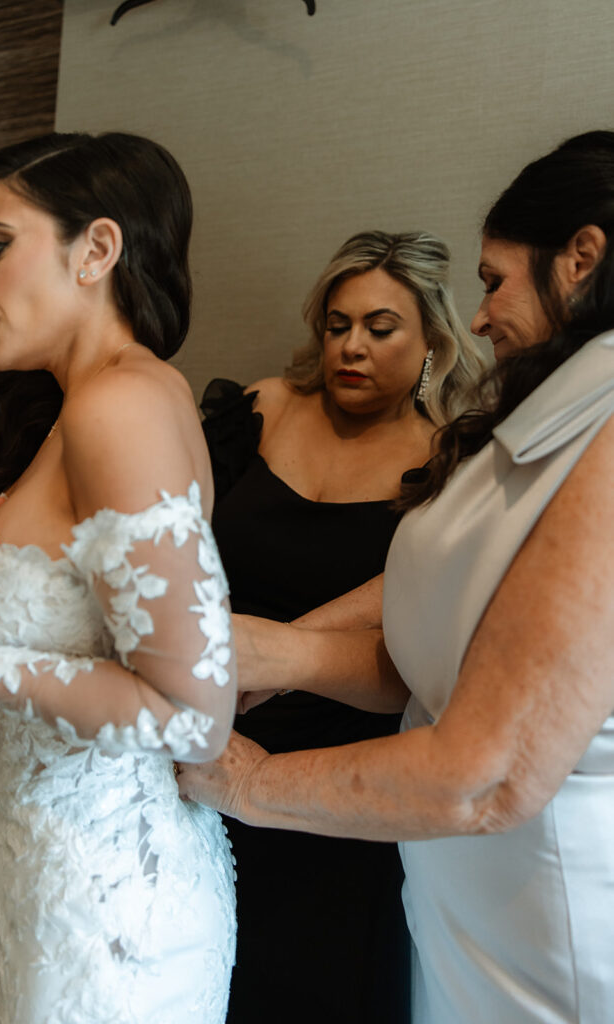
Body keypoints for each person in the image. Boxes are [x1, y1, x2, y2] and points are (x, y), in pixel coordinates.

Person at [178, 129, 614, 1024]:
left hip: (547, 923)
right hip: (457, 903)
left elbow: (486, 776)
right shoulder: (551, 415)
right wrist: (281, 651)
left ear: (581, 259)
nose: (482, 313)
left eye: (494, 280)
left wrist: (250, 784)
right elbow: (451, 592)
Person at [0, 132, 237, 1024]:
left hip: (109, 913)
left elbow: (190, 715)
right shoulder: (102, 402)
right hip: (55, 879)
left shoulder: (122, 406)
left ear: (96, 249)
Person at [200, 230, 485, 1023]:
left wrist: (277, 654)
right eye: (336, 324)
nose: (350, 346)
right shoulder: (256, 410)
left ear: (431, 338)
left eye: (379, 328)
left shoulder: (449, 462)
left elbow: (417, 620)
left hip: (342, 770)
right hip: (207, 729)